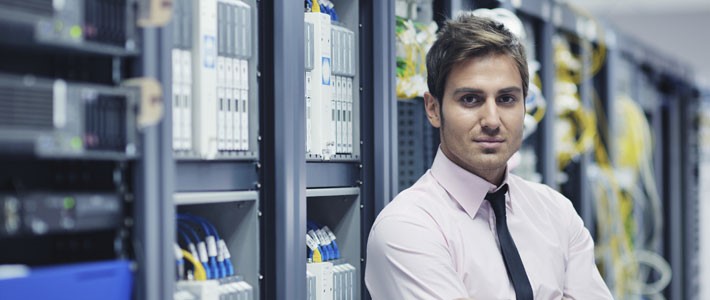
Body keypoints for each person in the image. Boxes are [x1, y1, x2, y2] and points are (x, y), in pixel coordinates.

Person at [365, 13, 612, 300]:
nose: (492, 120)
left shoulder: (556, 213)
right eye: (471, 99)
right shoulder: (408, 228)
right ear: (433, 108)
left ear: (525, 105)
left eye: (506, 99)